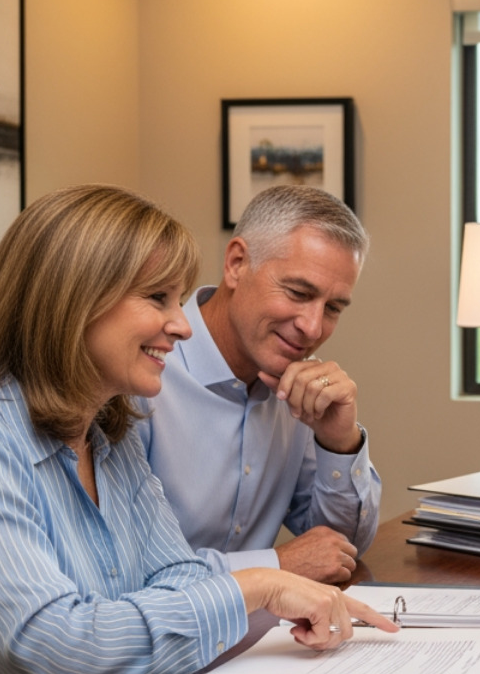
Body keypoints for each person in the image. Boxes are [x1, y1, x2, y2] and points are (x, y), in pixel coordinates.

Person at [0, 185, 394, 674]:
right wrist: (262, 583)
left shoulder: (104, 435)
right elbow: (48, 651)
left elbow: (177, 577)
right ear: (73, 301)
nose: (182, 325)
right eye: (158, 298)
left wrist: (246, 589)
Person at [135, 185, 378, 583]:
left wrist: (339, 442)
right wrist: (275, 566)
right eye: (298, 293)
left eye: (333, 308)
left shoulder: (299, 389)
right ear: (236, 263)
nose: (313, 328)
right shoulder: (142, 371)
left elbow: (340, 548)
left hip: (266, 636)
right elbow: (126, 569)